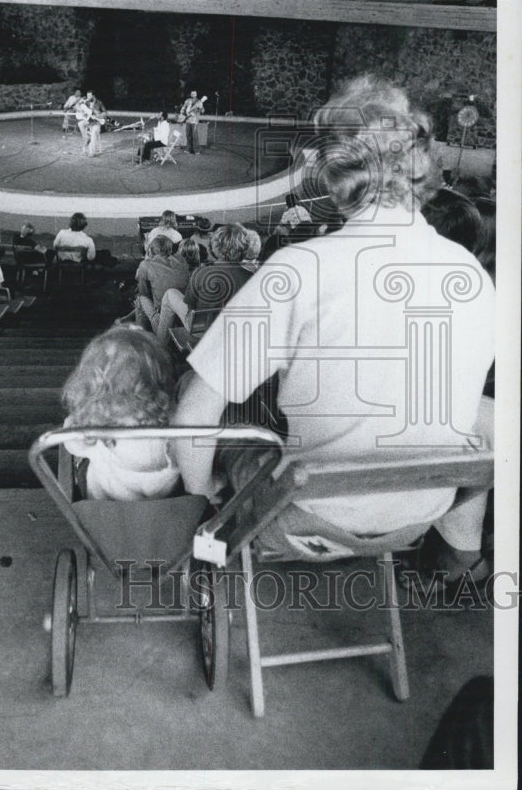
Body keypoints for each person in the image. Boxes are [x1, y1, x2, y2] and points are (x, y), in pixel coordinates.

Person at [172, 75, 495, 590]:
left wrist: (202, 498)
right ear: (421, 168)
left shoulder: (297, 269)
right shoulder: (472, 274)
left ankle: (204, 543)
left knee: (207, 409)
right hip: (418, 518)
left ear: (334, 175)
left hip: (306, 520)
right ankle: (462, 554)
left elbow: (194, 414)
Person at [60, 326, 181, 501]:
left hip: (105, 504)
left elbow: (72, 446)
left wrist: (73, 422)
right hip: (164, 504)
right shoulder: (178, 421)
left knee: (79, 456)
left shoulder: (95, 431)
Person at [156, 223, 253, 345]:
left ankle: (159, 345)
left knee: (170, 294)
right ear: (243, 249)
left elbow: (190, 306)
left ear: (215, 247)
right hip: (234, 330)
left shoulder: (201, 272)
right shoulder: (251, 277)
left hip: (201, 331)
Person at [134, 235, 190, 331]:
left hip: (163, 317)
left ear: (150, 250)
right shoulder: (181, 260)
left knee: (140, 299)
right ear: (170, 249)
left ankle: (142, 334)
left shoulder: (145, 265)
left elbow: (143, 292)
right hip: (181, 314)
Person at [178, 90, 207, 155]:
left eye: (194, 93)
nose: (193, 94)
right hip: (187, 120)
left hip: (194, 121)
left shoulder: (199, 102)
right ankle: (189, 149)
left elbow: (202, 111)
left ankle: (196, 150)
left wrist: (201, 107)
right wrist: (181, 114)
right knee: (188, 135)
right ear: (190, 94)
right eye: (192, 93)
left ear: (196, 94)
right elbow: (183, 108)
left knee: (194, 136)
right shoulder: (187, 101)